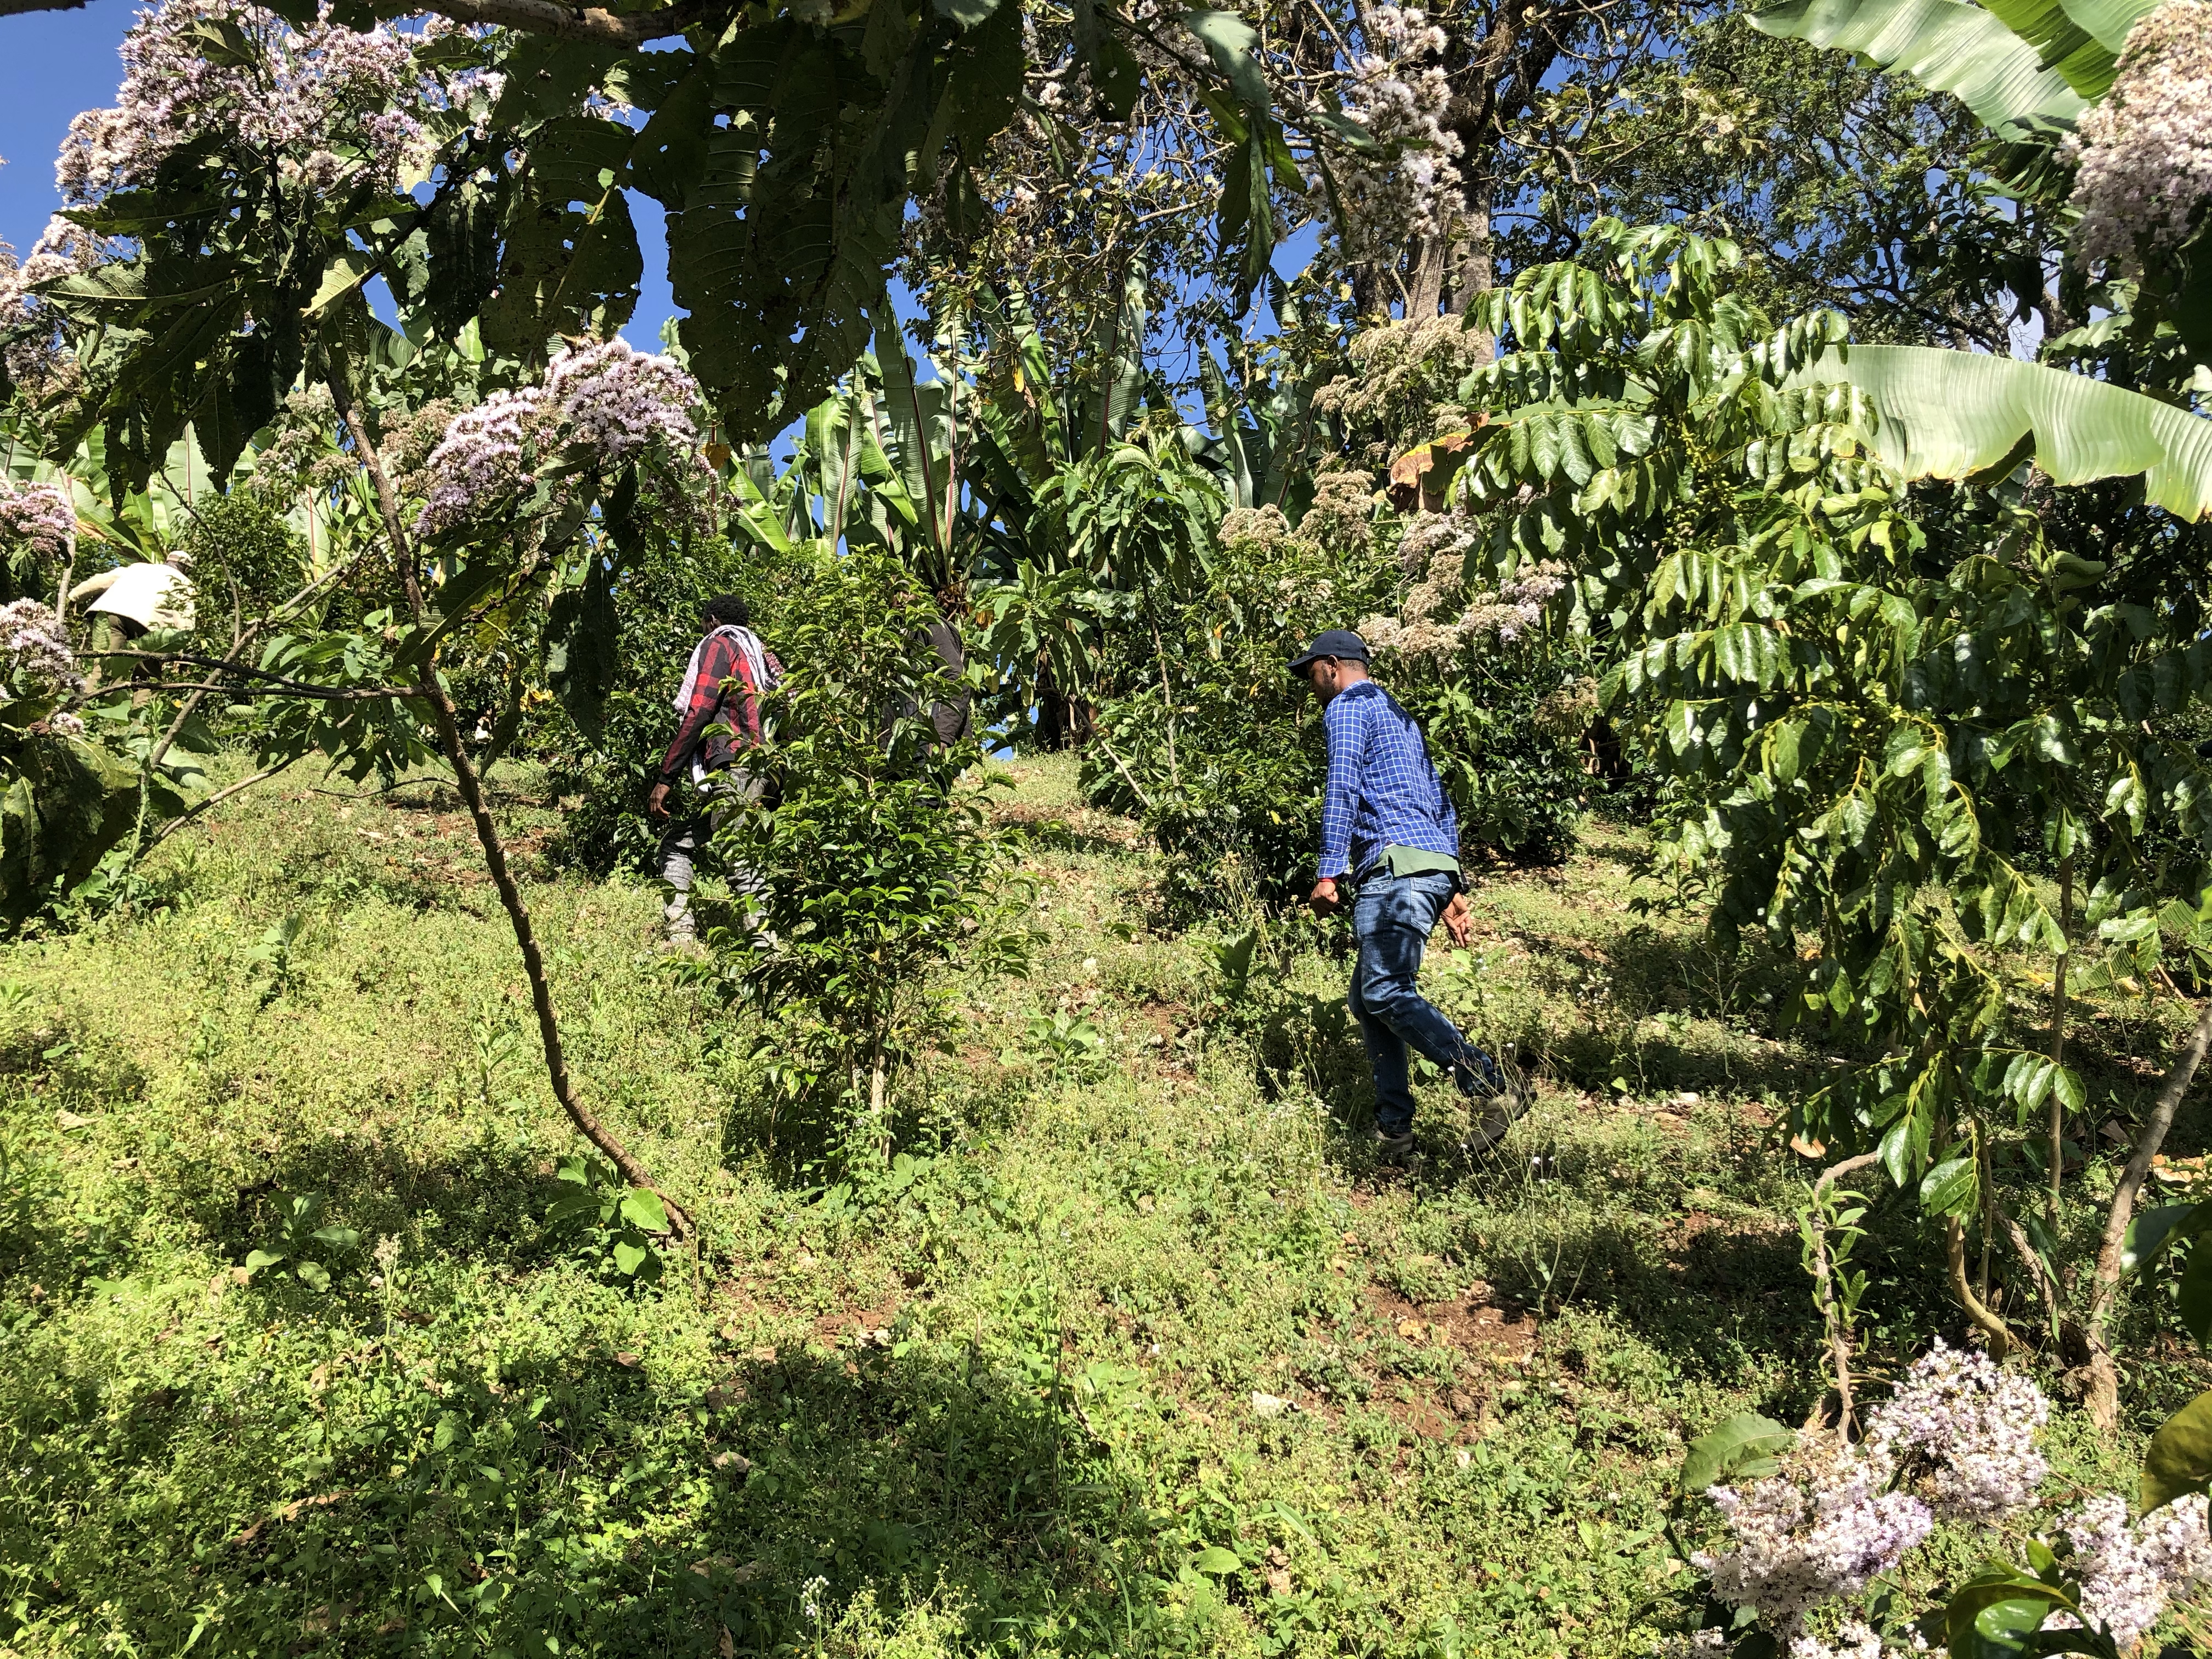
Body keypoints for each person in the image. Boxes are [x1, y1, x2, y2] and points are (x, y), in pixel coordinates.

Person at [1291, 628, 1526, 1163]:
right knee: (1368, 1001)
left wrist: (1330, 871)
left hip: (1396, 870)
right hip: (1429, 863)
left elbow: (1342, 786)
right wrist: (1451, 884)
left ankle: (1490, 1085)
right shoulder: (1399, 716)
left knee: (1385, 991)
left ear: (1332, 666)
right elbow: (1438, 800)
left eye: (1312, 676)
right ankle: (1395, 1133)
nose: (1313, 688)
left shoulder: (1348, 708)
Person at [646, 594, 780, 949]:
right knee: (678, 843)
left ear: (712, 619)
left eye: (704, 623)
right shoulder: (761, 654)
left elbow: (700, 710)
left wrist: (666, 777)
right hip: (771, 769)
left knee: (739, 855)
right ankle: (681, 936)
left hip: (737, 764)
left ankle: (767, 950)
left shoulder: (719, 645)